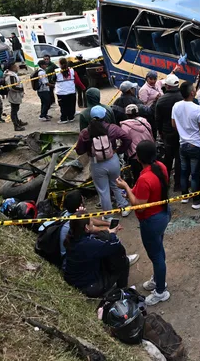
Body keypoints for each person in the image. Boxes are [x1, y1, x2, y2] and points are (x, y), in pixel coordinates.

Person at [115, 140, 172, 306]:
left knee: (156, 255)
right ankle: (158, 279)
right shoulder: (161, 166)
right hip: (163, 212)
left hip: (151, 220)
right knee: (158, 249)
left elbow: (139, 207)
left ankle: (161, 291)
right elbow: (144, 197)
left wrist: (126, 187)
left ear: (138, 157)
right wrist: (133, 193)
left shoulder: (145, 178)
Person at [76, 106, 132, 215]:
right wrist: (119, 150)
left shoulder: (85, 132)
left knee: (103, 190)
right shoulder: (112, 128)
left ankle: (108, 215)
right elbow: (127, 139)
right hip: (112, 159)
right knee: (117, 184)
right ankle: (124, 207)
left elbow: (79, 150)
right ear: (104, 116)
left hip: (96, 163)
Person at [62, 217, 131, 298]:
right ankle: (122, 291)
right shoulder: (88, 245)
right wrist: (112, 234)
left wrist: (81, 215)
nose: (92, 222)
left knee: (105, 253)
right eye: (90, 221)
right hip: (90, 287)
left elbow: (86, 228)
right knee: (123, 262)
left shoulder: (73, 235)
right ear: (86, 227)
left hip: (76, 279)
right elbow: (115, 245)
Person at [171, 81, 200, 209]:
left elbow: (173, 124)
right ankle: (197, 200)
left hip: (182, 144)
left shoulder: (176, 106)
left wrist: (183, 133)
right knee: (195, 174)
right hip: (196, 145)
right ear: (192, 93)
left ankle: (185, 196)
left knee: (184, 171)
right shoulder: (198, 108)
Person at [154, 74, 183, 190]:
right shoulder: (183, 97)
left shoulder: (161, 100)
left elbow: (158, 119)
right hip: (181, 132)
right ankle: (178, 184)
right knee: (179, 159)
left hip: (167, 133)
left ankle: (164, 183)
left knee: (168, 158)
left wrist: (160, 132)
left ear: (167, 86)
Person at [119, 104, 154, 180]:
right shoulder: (145, 122)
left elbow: (124, 141)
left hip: (136, 156)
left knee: (138, 177)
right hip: (149, 152)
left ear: (127, 114)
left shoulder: (125, 126)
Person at [4, 62, 26, 131]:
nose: (17, 66)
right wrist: (20, 89)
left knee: (16, 109)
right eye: (16, 65)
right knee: (14, 110)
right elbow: (12, 87)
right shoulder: (11, 76)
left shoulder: (13, 74)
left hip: (16, 94)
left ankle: (18, 122)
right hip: (14, 95)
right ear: (12, 67)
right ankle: (16, 126)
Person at [55, 58, 78, 123]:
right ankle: (71, 117)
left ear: (59, 63)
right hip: (71, 90)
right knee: (71, 105)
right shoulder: (71, 70)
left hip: (61, 92)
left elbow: (52, 79)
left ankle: (64, 118)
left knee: (63, 106)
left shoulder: (56, 71)